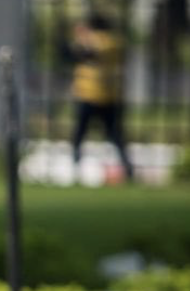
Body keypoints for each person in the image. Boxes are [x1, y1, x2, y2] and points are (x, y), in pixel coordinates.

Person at [65, 11, 134, 181]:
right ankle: (128, 169)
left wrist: (82, 36)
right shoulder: (116, 41)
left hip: (89, 96)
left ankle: (75, 168)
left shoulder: (95, 40)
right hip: (111, 96)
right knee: (116, 136)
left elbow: (82, 54)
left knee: (79, 135)